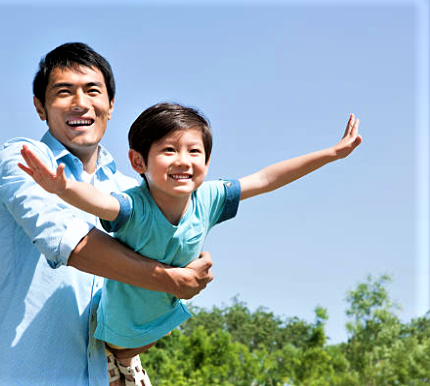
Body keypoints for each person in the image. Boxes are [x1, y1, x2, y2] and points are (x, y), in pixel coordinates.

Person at [19, 102, 362, 371]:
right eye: (168, 150)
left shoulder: (210, 197)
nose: (183, 161)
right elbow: (101, 202)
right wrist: (64, 187)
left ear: (208, 162)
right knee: (119, 358)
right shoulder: (134, 206)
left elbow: (267, 179)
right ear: (138, 161)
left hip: (160, 322)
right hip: (114, 336)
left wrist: (331, 154)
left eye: (194, 151)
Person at [0, 43, 215, 386]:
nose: (80, 103)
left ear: (111, 105)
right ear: (40, 107)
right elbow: (65, 238)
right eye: (63, 92)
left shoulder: (133, 192)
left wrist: (174, 286)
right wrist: (168, 278)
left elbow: (132, 324)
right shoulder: (24, 160)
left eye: (92, 90)